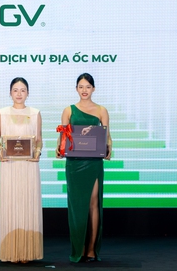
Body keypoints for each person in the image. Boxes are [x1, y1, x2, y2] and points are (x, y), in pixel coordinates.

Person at [55, 73, 112, 263]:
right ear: (76, 89)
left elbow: (107, 136)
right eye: (81, 87)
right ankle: (78, 249)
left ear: (93, 89)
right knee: (77, 206)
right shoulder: (68, 110)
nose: (84, 90)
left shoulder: (101, 110)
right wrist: (59, 148)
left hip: (94, 163)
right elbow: (63, 137)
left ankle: (91, 250)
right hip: (74, 164)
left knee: (93, 204)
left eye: (88, 86)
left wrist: (108, 148)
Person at [0, 77, 43, 263]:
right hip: (9, 166)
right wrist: (1, 149)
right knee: (11, 205)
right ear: (10, 93)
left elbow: (39, 141)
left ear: (28, 93)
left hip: (29, 166)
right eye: (15, 90)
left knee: (28, 205)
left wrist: (37, 152)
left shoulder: (35, 113)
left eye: (23, 90)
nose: (19, 94)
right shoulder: (2, 113)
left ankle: (28, 252)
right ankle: (12, 252)